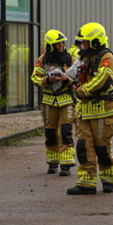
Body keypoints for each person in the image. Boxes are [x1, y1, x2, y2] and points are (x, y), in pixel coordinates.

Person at [67, 22, 113, 195]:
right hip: (84, 112)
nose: (82, 46)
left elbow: (103, 80)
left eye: (85, 42)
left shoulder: (107, 58)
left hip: (102, 112)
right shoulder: (86, 57)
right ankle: (86, 183)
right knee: (83, 147)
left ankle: (108, 180)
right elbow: (75, 74)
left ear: (95, 42)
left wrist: (81, 91)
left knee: (101, 148)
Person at [31, 29, 76, 176]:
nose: (62, 46)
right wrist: (47, 80)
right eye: (58, 44)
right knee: (50, 132)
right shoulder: (43, 60)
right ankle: (52, 162)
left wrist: (67, 79)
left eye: (62, 43)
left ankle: (66, 163)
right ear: (51, 46)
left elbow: (79, 76)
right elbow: (34, 78)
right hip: (49, 102)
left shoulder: (70, 59)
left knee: (66, 131)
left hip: (67, 100)